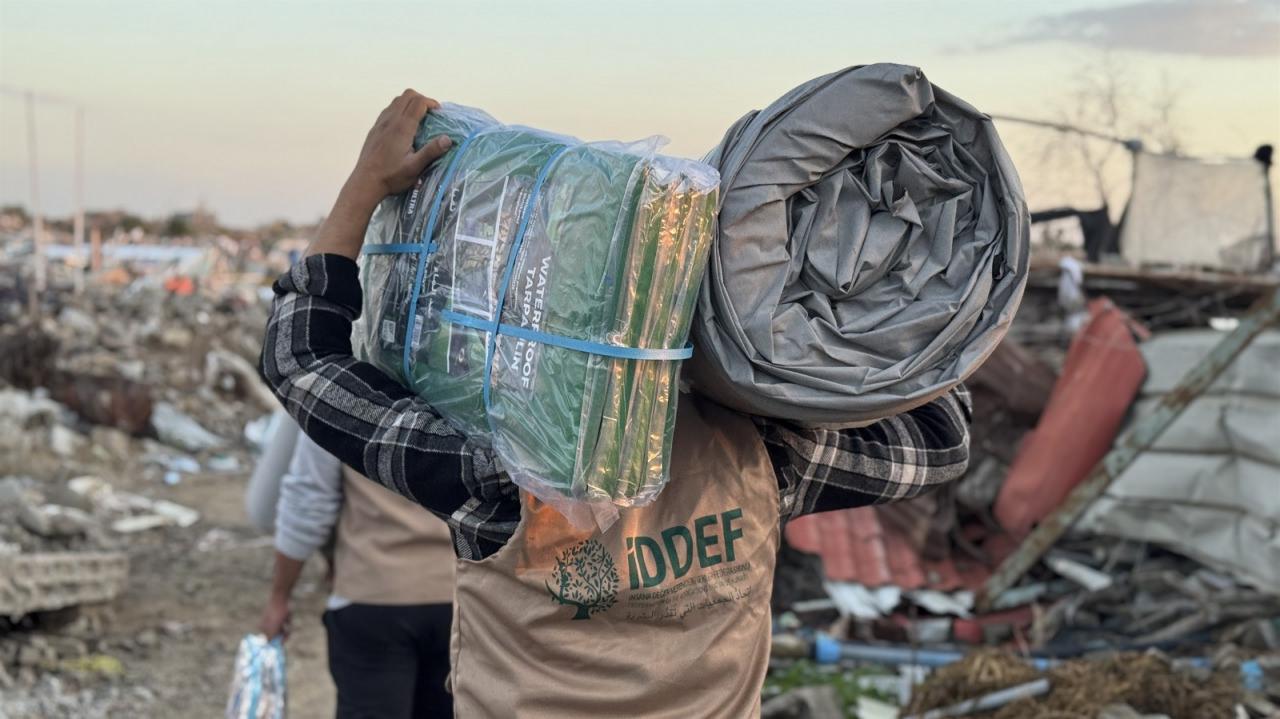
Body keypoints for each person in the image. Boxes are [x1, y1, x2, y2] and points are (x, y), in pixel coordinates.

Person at [260, 90, 973, 718]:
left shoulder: (499, 477)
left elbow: (303, 363)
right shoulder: (770, 458)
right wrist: (900, 301)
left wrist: (365, 185)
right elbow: (939, 438)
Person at [256, 431, 455, 718]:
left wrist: (280, 596)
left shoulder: (339, 402)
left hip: (372, 593)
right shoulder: (478, 403)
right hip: (462, 599)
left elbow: (309, 501)